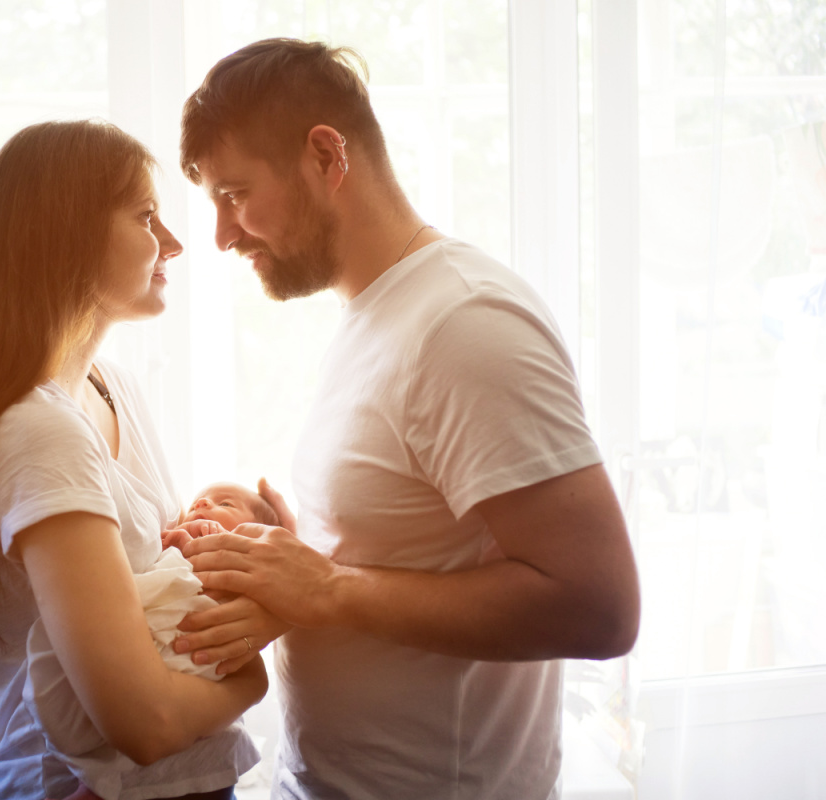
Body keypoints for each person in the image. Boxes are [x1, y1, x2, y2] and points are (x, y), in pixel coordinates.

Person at [172, 38, 642, 800]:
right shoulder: (375, 313)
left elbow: (600, 607)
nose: (222, 234)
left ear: (326, 156)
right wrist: (291, 555)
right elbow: (413, 545)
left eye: (233, 194)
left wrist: (325, 586)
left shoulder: (466, 322)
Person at [0, 120, 266, 800]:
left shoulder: (110, 385)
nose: (176, 244)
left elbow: (163, 593)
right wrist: (254, 675)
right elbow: (146, 724)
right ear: (65, 234)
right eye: (148, 217)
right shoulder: (37, 431)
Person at [29, 481, 280, 783]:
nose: (202, 505)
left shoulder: (232, 551)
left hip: (198, 648)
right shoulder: (181, 538)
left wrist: (189, 539)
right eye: (199, 500)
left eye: (224, 504)